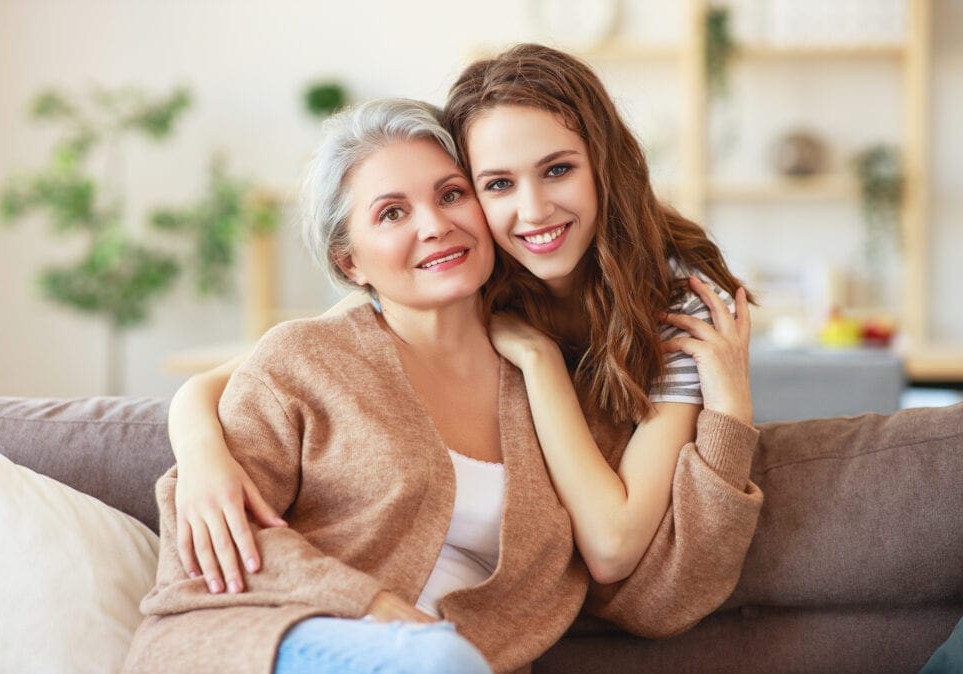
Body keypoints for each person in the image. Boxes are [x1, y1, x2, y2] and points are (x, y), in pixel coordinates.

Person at [167, 42, 765, 640]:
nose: (533, 212)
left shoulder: (674, 303)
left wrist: (541, 360)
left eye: (558, 169)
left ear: (604, 162)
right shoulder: (471, 274)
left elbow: (614, 546)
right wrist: (200, 456)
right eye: (497, 184)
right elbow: (239, 378)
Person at [124, 98, 591, 674]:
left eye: (450, 194)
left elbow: (649, 588)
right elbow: (206, 544)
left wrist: (716, 404)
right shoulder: (306, 358)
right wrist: (373, 604)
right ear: (351, 264)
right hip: (269, 642)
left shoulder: (544, 380)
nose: (435, 225)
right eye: (392, 213)